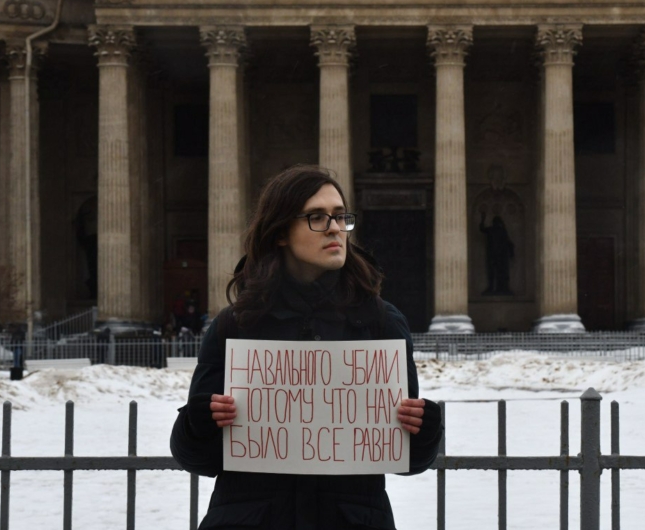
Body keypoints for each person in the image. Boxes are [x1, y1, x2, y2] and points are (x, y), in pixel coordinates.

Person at [170, 165, 443, 530]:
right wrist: (198, 422)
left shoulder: (381, 322)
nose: (334, 228)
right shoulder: (235, 325)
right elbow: (198, 459)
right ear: (281, 231)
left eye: (340, 216)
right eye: (316, 217)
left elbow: (399, 457)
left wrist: (423, 431)